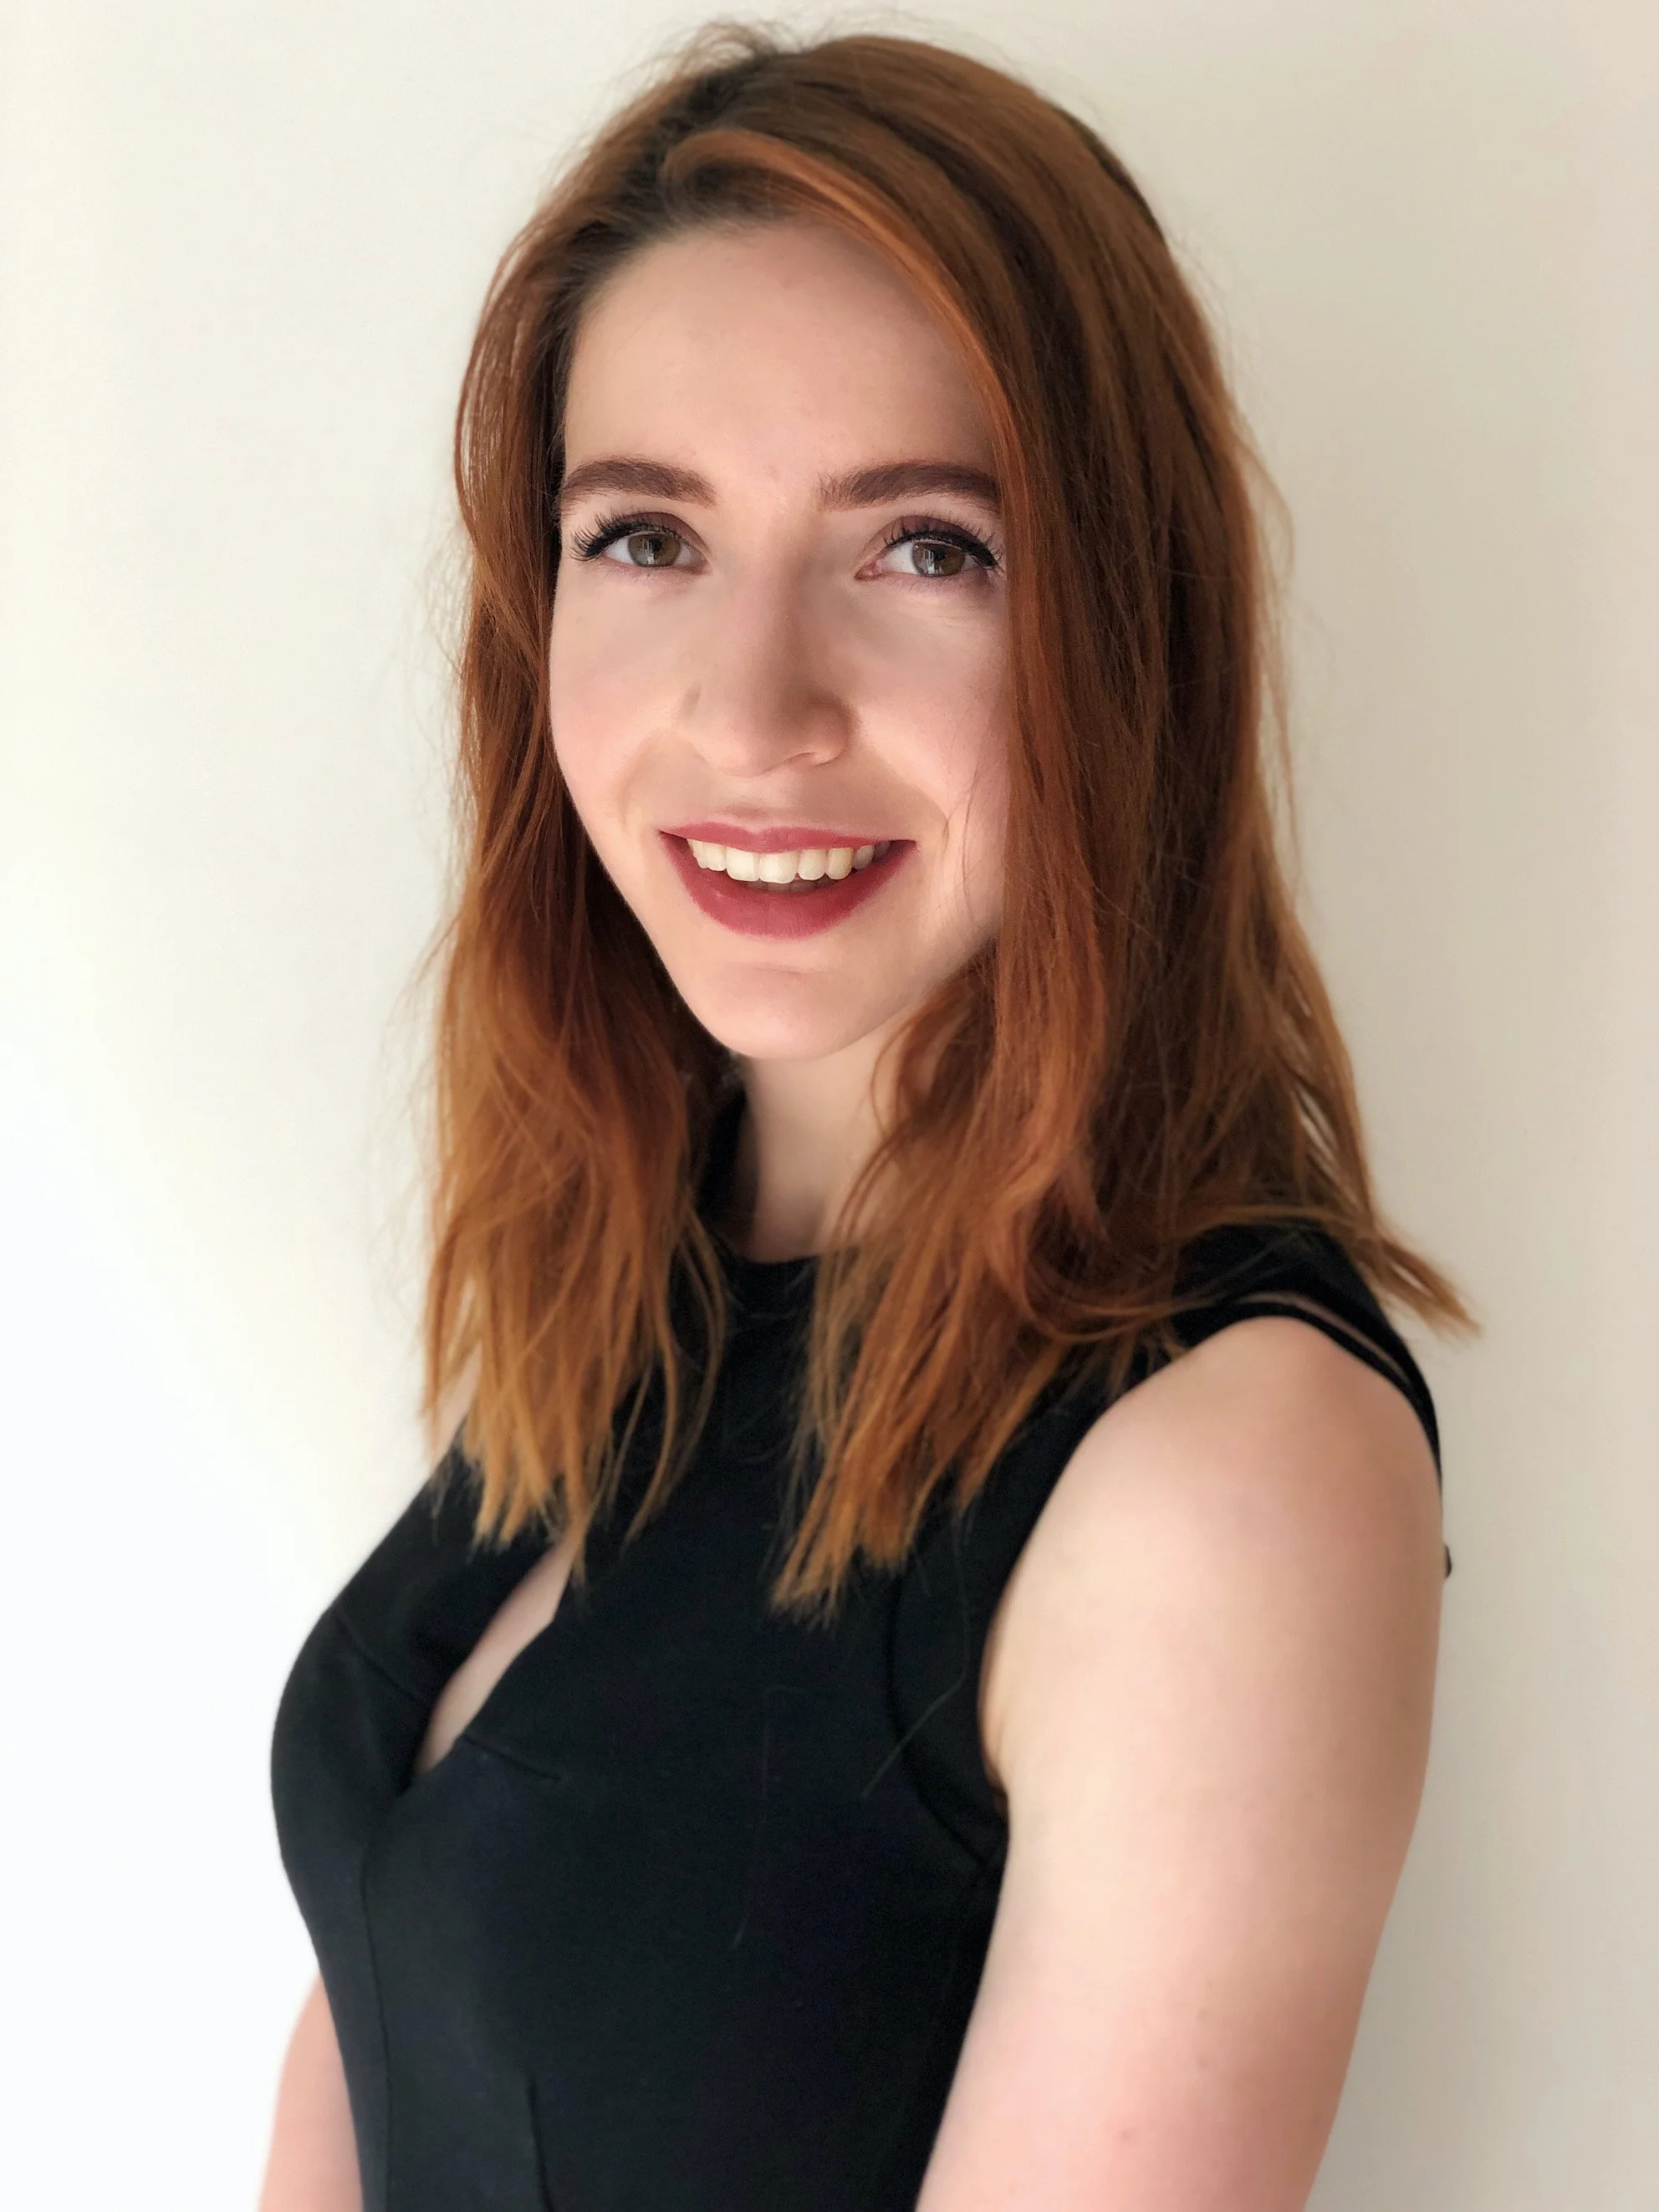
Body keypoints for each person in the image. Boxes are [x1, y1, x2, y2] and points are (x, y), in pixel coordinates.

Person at [261, 25, 1465, 2212]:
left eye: (924, 548)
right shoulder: (633, 1280)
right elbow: (388, 1999)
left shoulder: (1222, 1470)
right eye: (647, 535)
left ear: (1125, 631)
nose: (754, 710)